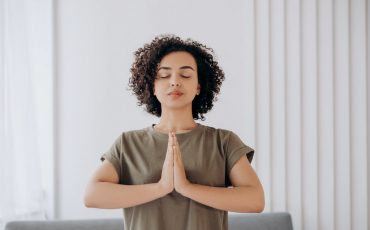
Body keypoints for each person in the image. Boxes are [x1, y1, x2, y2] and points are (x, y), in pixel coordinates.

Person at [84, 34, 264, 230]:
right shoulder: (128, 143)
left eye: (185, 75)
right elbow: (92, 195)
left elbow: (255, 200)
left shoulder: (223, 141)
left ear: (198, 87)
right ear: (153, 86)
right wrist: (161, 187)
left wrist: (187, 187)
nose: (175, 81)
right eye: (164, 75)